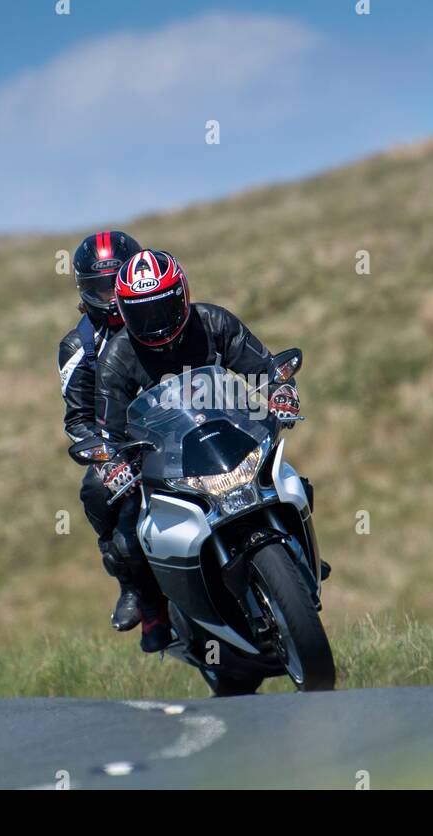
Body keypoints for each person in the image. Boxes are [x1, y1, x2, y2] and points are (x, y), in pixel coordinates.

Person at [94, 249, 301, 652]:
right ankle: (153, 608)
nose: (153, 322)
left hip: (229, 440)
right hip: (164, 460)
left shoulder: (214, 322)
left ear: (182, 294)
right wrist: (113, 461)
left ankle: (296, 559)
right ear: (124, 312)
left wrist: (281, 390)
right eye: (141, 313)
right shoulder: (117, 357)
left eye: (162, 307)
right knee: (128, 535)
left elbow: (265, 367)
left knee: (294, 481)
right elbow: (108, 428)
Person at [57, 230, 146, 631]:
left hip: (185, 425)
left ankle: (285, 544)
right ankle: (132, 586)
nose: (111, 297)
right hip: (125, 447)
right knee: (94, 490)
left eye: (118, 284)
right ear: (84, 289)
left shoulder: (164, 310)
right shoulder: (79, 346)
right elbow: (77, 420)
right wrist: (109, 459)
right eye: (101, 288)